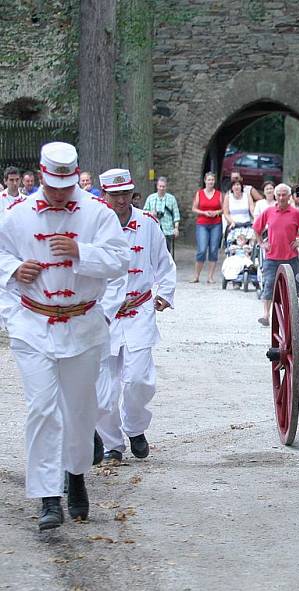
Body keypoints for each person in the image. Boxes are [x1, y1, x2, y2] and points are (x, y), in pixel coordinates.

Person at [0, 142, 129, 530]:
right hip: (34, 326)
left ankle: (75, 476)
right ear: (41, 176)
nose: (59, 193)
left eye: (66, 186)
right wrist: (13, 268)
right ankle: (47, 496)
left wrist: (80, 251)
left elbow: (121, 259)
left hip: (83, 326)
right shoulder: (16, 215)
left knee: (80, 408)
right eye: (53, 186)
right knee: (42, 408)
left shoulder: (97, 214)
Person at [96, 168, 177, 462]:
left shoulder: (148, 224)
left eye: (125, 193)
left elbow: (164, 263)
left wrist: (165, 294)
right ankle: (111, 445)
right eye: (114, 194)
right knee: (103, 388)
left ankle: (135, 428)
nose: (120, 200)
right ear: (104, 195)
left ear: (133, 192)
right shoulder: (93, 226)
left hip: (139, 310)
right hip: (102, 316)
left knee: (140, 379)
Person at [253, 183, 299, 326]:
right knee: (269, 285)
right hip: (272, 257)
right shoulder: (268, 211)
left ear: (289, 196)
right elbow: (256, 227)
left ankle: (292, 316)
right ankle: (266, 315)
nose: (281, 197)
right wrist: (261, 243)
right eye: (279, 195)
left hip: (291, 257)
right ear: (275, 196)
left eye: (284, 195)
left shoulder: (296, 213)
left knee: (294, 287)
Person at [191, 172, 223, 283]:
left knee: (214, 249)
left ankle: (210, 277)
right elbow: (194, 208)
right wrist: (204, 213)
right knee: (202, 249)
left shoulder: (219, 194)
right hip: (202, 223)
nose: (210, 182)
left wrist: (216, 212)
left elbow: (224, 209)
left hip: (216, 223)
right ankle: (196, 276)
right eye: (209, 180)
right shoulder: (199, 193)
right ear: (205, 181)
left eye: (212, 180)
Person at [143, 176, 181, 256]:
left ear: (166, 187)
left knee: (166, 253)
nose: (161, 188)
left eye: (163, 186)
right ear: (157, 186)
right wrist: (151, 213)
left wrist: (176, 228)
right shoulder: (151, 198)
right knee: (153, 253)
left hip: (167, 230)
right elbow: (144, 213)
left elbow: (176, 214)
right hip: (153, 229)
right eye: (160, 186)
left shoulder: (171, 198)